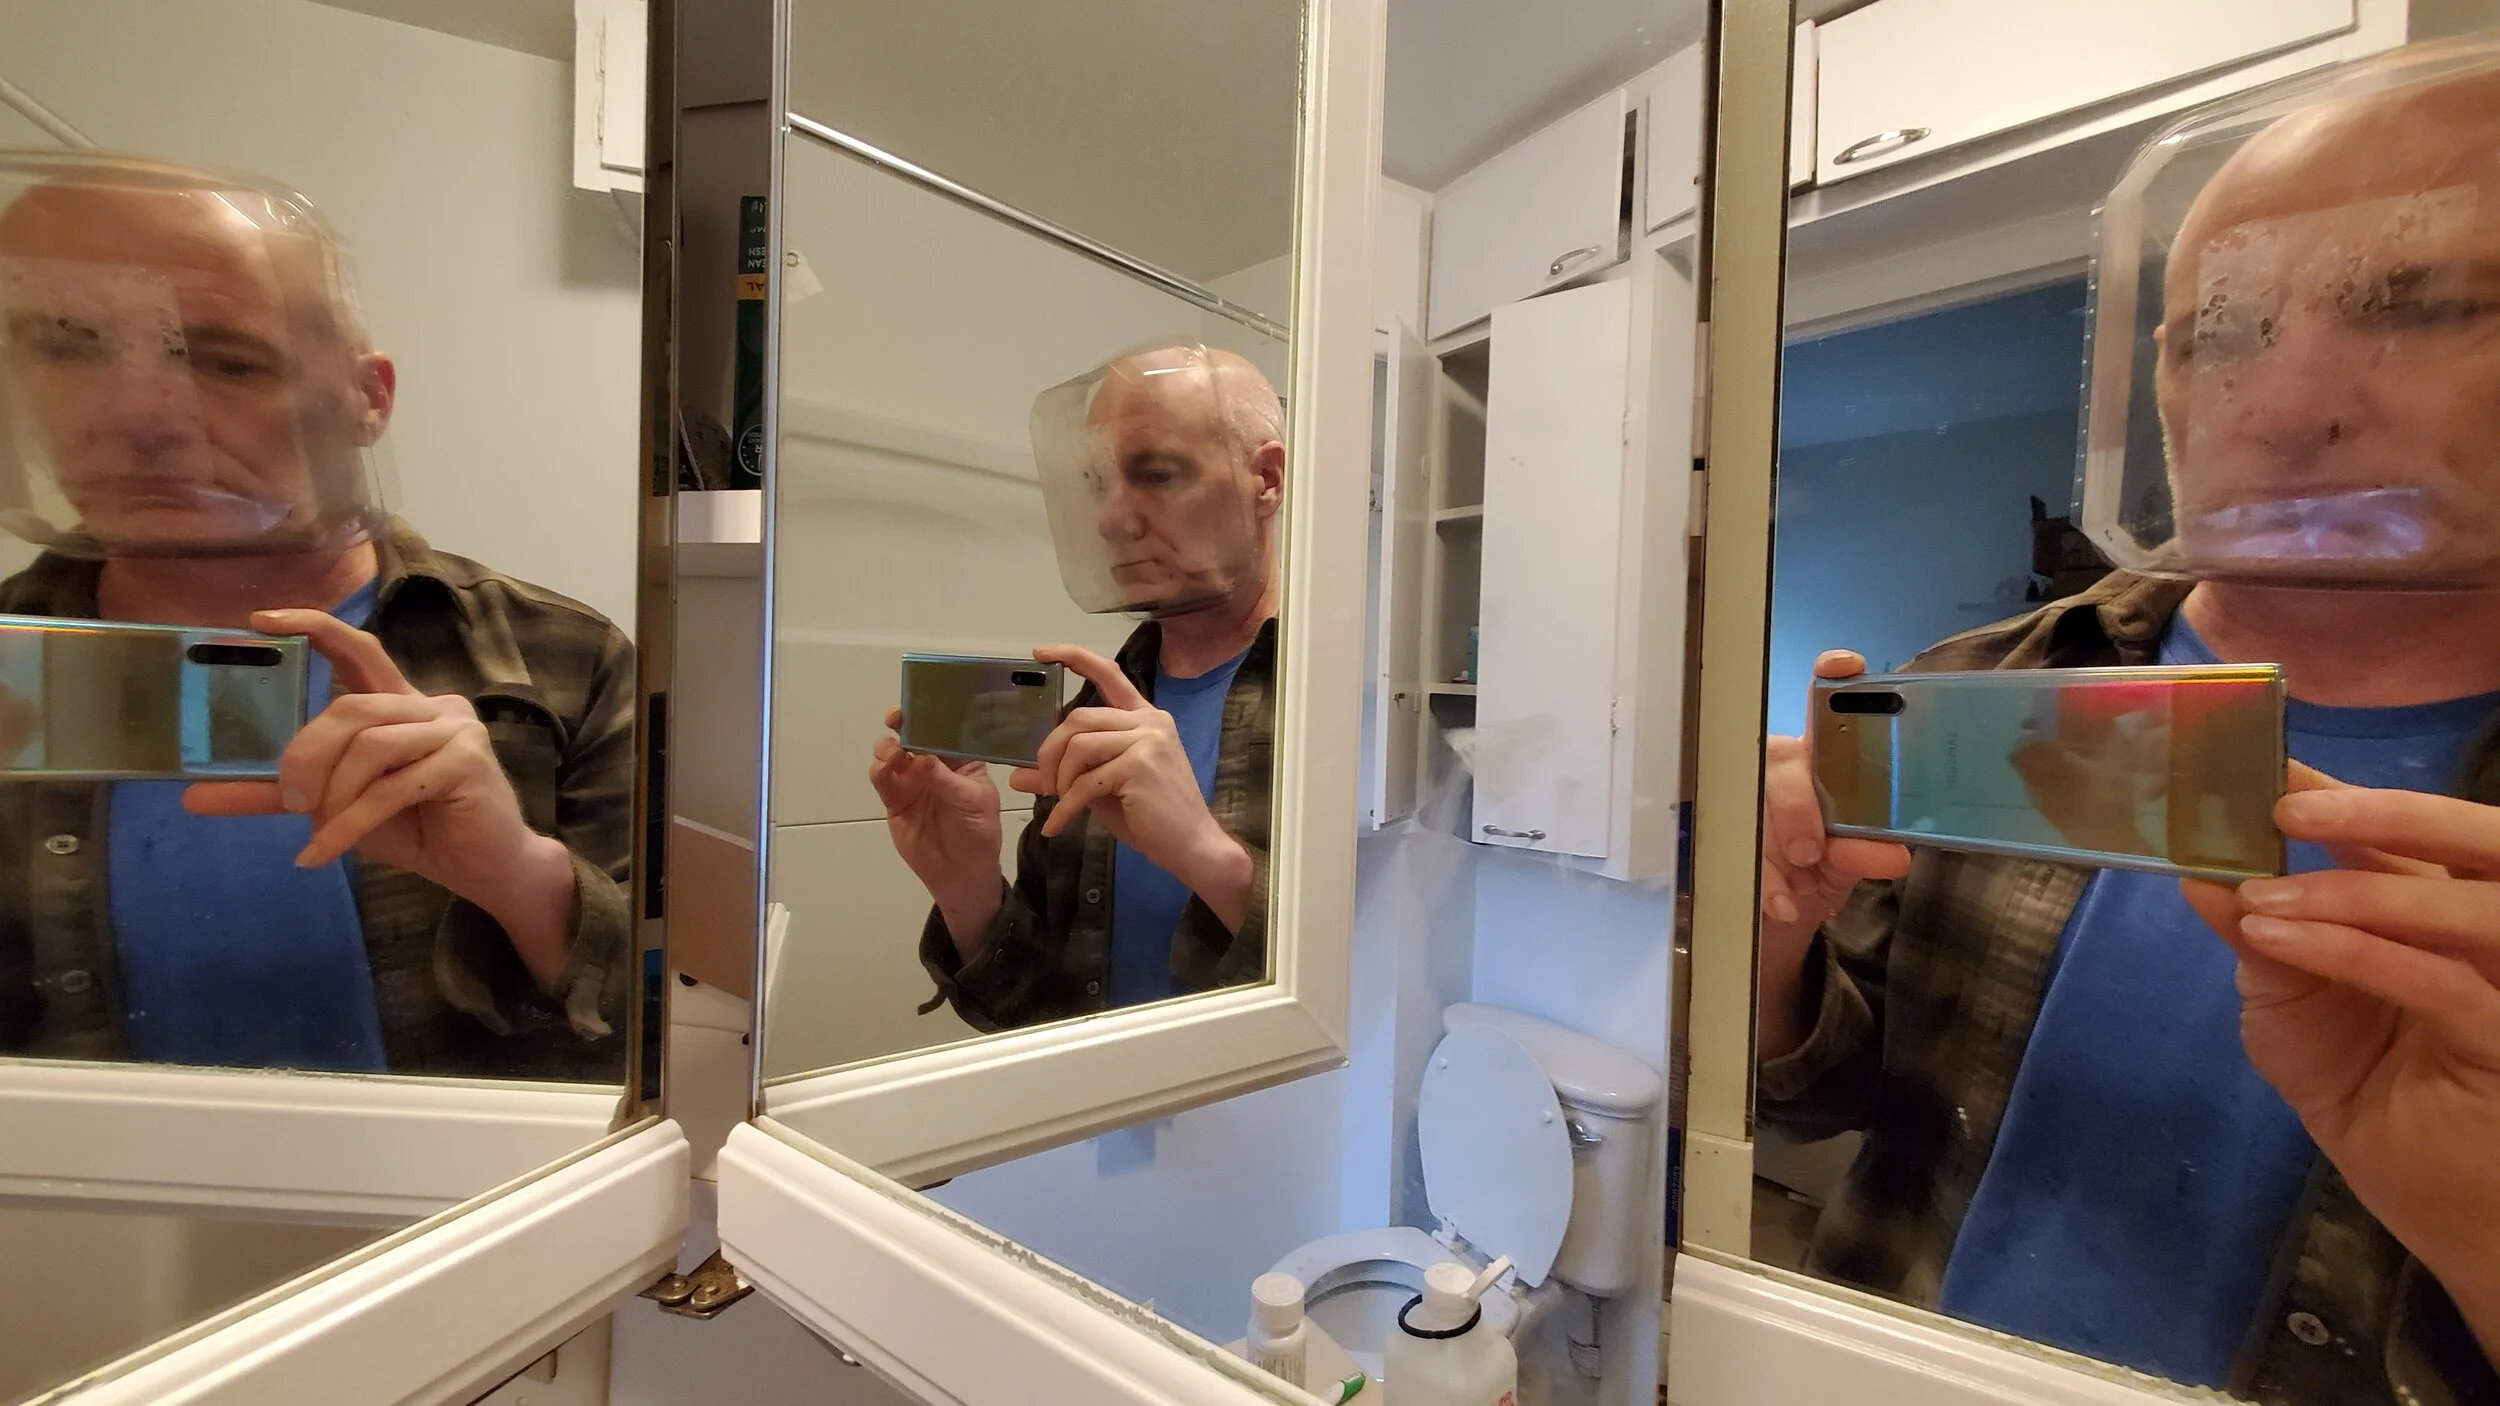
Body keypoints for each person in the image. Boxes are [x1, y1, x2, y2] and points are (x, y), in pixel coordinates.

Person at [1754, 43, 2500, 1405]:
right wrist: (1769, 943)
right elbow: (1821, 1098)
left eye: (2429, 301)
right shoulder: (1978, 690)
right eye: (2221, 330)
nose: (2279, 409)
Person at [0, 155, 633, 1081]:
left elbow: (692, 1033)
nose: (138, 413)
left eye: (223, 359)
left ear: (367, 397)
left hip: (483, 1215)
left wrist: (517, 876)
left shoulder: (562, 659)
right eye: (68, 344)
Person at [871, 343, 1282, 1031]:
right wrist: (966, 885)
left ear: (1264, 478)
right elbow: (1037, 1017)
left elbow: (1369, 983)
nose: (1111, 520)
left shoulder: (1336, 706)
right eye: (1099, 484)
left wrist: (1207, 855)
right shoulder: (1100, 710)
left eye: (1155, 474)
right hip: (1095, 1124)